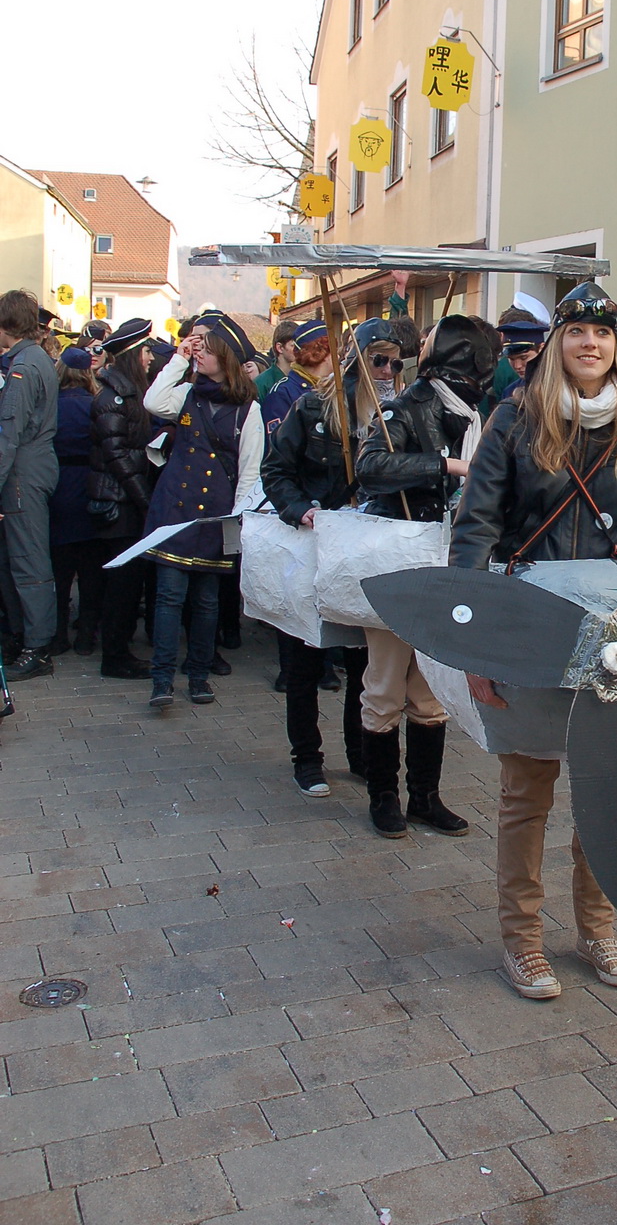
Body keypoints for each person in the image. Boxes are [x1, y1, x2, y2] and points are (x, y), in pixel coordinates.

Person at [450, 284, 617, 1000]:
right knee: (527, 790)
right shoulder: (514, 419)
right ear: (557, 344)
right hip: (529, 621)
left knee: (607, 783)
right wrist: (473, 644)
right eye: (577, 331)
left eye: (603, 334)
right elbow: (476, 531)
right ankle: (522, 941)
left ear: (616, 348)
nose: (590, 343)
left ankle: (597, 929)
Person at [354, 316, 495, 837]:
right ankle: (383, 798)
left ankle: (425, 797)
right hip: (400, 561)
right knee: (385, 687)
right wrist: (445, 466)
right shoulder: (406, 406)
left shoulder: (476, 414)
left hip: (449, 563)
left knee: (432, 691)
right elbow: (369, 466)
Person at [142, 315, 263, 708]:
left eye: (206, 350)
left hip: (214, 514)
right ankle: (161, 679)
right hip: (174, 509)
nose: (199, 354)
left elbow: (249, 470)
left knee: (207, 600)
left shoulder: (249, 409)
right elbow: (153, 402)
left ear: (224, 358)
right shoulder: (187, 394)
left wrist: (237, 522)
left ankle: (198, 675)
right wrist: (178, 360)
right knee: (169, 597)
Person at [261, 372, 369, 795]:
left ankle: (360, 753)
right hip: (310, 547)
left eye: (396, 364)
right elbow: (276, 470)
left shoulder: (395, 411)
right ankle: (306, 758)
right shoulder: (310, 408)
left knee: (363, 664)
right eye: (377, 362)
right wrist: (299, 509)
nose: (385, 372)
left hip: (361, 548)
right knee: (303, 661)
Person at [88, 319, 157, 679]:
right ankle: (115, 656)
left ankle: (119, 650)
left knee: (127, 586)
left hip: (126, 503)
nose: (150, 357)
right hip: (118, 506)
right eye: (146, 351)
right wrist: (145, 500)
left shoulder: (129, 392)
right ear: (132, 355)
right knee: (121, 586)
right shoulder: (112, 397)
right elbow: (117, 456)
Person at [0, 288, 60, 680]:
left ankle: (37, 647)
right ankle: (24, 636)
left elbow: (9, 433)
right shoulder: (34, 358)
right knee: (17, 559)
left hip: (22, 471)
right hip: (29, 467)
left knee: (28, 561)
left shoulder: (22, 367)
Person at [48, 347, 102, 657]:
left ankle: (57, 634)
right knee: (91, 570)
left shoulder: (51, 405)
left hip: (58, 487)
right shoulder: (95, 404)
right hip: (90, 486)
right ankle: (86, 634)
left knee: (60, 569)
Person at [263, 319, 331, 432]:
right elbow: (277, 443)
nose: (338, 357)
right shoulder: (282, 392)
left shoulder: (331, 389)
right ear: (320, 354)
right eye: (333, 352)